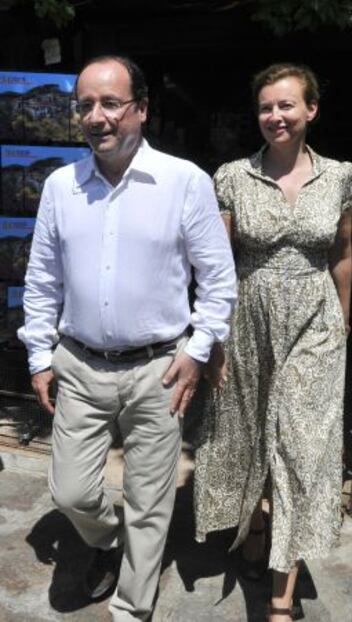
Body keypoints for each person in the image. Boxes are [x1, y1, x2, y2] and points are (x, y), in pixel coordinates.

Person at [18, 55, 237, 622]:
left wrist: (197, 350)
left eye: (110, 103)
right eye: (85, 104)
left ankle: (131, 608)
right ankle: (107, 541)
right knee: (70, 491)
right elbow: (41, 280)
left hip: (159, 369)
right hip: (80, 364)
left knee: (149, 501)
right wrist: (40, 356)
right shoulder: (60, 187)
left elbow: (218, 281)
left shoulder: (184, 181)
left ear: (140, 108)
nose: (97, 116)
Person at [194, 63, 352, 622]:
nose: (275, 116)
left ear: (311, 109)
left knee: (300, 446)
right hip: (248, 320)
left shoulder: (339, 176)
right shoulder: (233, 176)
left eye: (287, 105)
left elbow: (341, 252)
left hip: (314, 325)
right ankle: (258, 524)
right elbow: (216, 266)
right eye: (266, 107)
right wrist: (212, 338)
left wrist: (343, 318)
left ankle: (281, 601)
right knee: (248, 429)